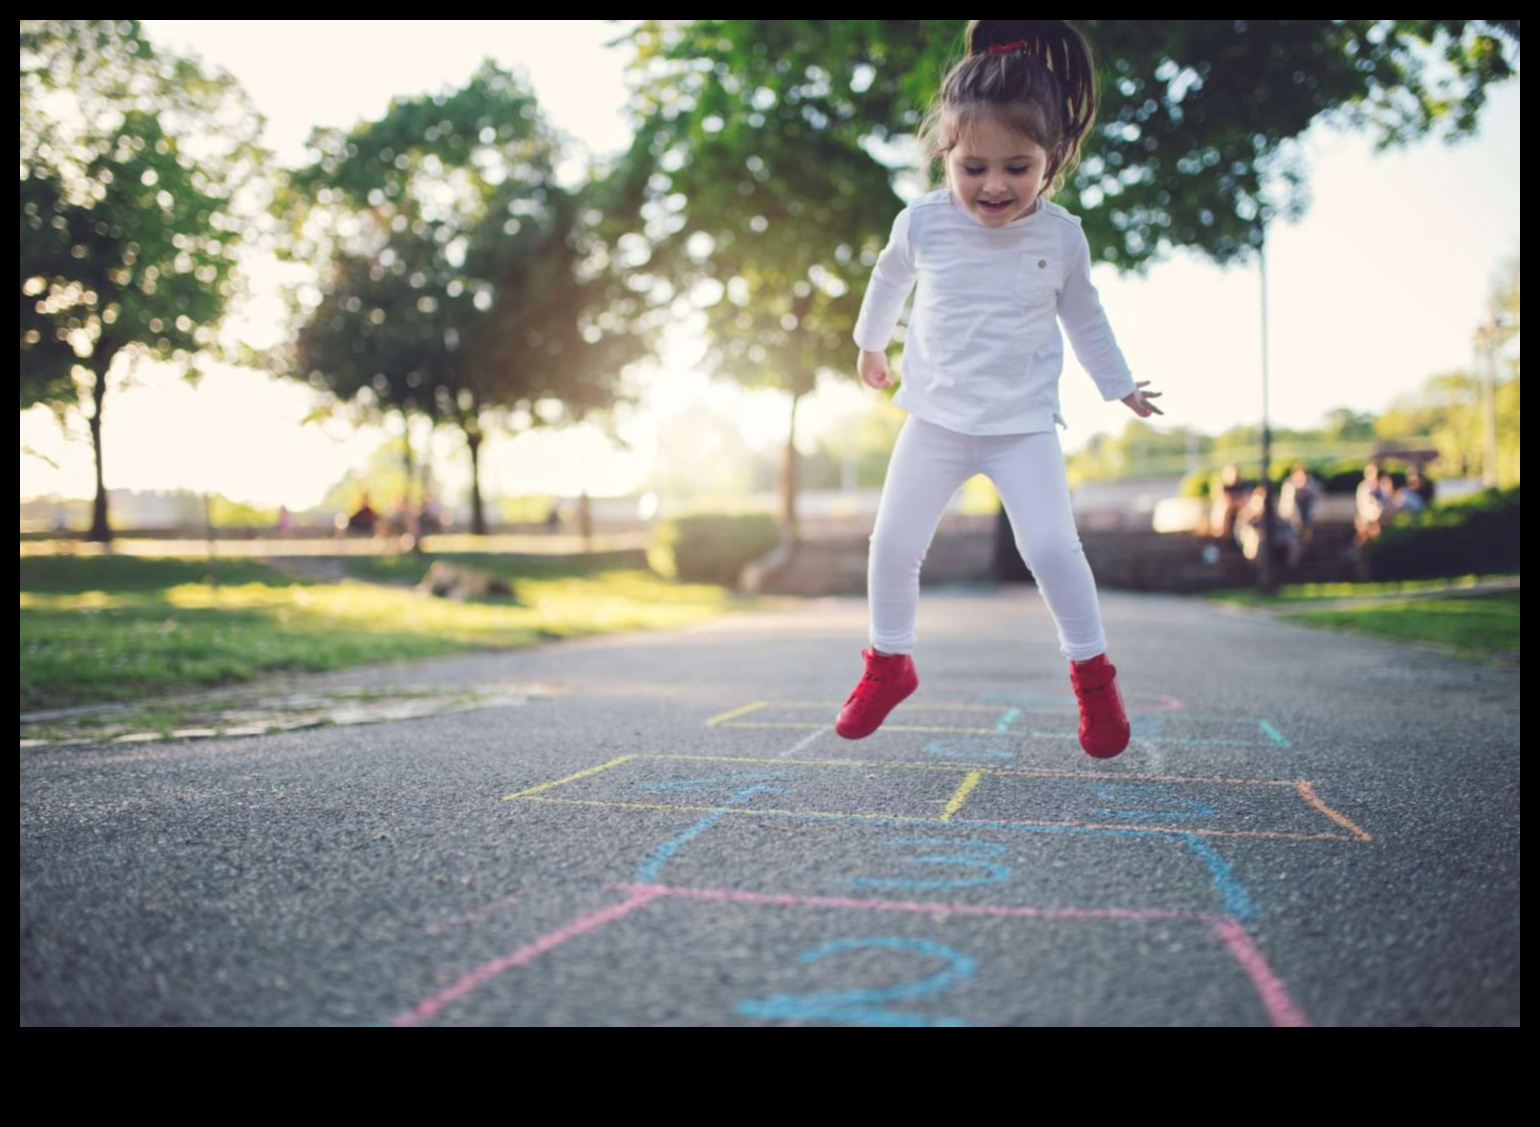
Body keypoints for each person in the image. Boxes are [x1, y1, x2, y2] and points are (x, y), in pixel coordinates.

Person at [836, 20, 1163, 761]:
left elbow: (1085, 313)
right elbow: (889, 274)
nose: (994, 186)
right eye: (973, 167)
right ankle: (889, 663)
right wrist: (869, 342)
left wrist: (1118, 387)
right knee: (891, 543)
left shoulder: (1062, 236)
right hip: (937, 418)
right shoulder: (922, 220)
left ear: (1051, 160)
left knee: (1051, 544)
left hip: (1022, 425)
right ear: (946, 153)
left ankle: (1094, 679)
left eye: (1018, 167)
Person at [1355, 463, 1390, 546]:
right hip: (1367, 518)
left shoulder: (1381, 486)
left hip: (1379, 517)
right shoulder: (1364, 487)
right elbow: (1362, 506)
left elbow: (1386, 502)